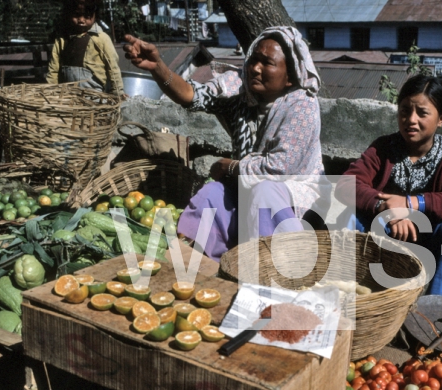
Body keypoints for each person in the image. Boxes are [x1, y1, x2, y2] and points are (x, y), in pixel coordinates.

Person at [123, 26, 328, 262]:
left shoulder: (301, 105)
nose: (255, 69)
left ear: (290, 76)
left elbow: (276, 171)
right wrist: (157, 66)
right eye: (253, 60)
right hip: (251, 195)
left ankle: (275, 268)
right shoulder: (241, 93)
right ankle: (211, 265)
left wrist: (229, 167)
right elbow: (191, 95)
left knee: (264, 192)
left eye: (267, 63)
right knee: (212, 193)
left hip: (292, 208)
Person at [334, 75, 442, 299]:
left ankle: (438, 311)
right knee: (348, 216)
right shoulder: (383, 148)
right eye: (405, 110)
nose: (411, 119)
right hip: (383, 234)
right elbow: (346, 184)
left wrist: (409, 203)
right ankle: (347, 296)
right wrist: (386, 208)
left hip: (427, 239)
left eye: (422, 113)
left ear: (441, 118)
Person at [46, 0, 125, 97]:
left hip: (94, 96)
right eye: (77, 15)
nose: (81, 20)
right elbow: (53, 69)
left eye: (87, 16)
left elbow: (113, 67)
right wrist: (50, 91)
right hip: (67, 95)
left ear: (95, 15)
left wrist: (118, 92)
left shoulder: (102, 39)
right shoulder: (62, 39)